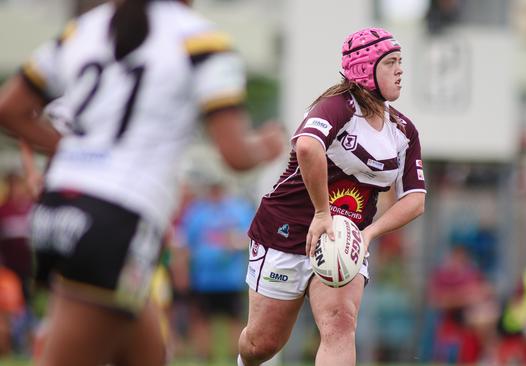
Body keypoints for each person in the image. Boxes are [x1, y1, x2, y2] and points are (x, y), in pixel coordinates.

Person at [0, 1, 285, 365]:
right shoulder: (201, 41)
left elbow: (10, 109)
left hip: (57, 209)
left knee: (148, 353)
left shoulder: (87, 28)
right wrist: (267, 145)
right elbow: (234, 154)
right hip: (116, 217)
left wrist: (72, 151)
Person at [238, 27, 427, 366]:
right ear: (365, 69)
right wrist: (323, 213)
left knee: (340, 324)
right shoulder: (337, 108)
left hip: (346, 241)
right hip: (288, 230)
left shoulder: (403, 131)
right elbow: (308, 147)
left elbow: (416, 199)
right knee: (261, 344)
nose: (401, 70)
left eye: (401, 62)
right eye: (391, 63)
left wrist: (367, 234)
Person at [180, 177, 254, 361]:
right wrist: (183, 272)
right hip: (204, 279)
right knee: (202, 320)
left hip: (231, 278)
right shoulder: (196, 212)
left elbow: (251, 236)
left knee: (235, 320)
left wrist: (236, 242)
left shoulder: (240, 209)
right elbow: (186, 244)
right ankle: (204, 358)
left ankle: (236, 358)